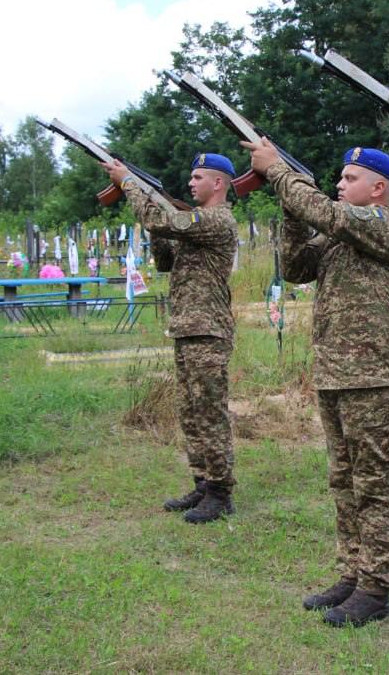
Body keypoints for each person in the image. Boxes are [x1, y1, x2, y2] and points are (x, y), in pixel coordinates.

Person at [242, 139, 389, 628]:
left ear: (378, 188)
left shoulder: (388, 226)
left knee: (375, 485)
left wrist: (279, 172)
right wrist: (292, 210)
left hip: (376, 380)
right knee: (344, 480)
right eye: (338, 179)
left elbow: (330, 214)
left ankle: (376, 587)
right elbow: (297, 267)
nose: (339, 185)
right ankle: (353, 572)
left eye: (349, 179)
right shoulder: (341, 234)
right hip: (336, 375)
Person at [100, 153, 239, 524]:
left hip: (208, 329)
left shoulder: (216, 219)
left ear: (219, 183)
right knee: (191, 411)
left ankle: (221, 492)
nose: (191, 183)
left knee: (209, 411)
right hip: (187, 327)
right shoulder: (191, 224)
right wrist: (155, 224)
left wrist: (130, 183)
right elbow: (165, 259)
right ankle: (203, 482)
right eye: (190, 177)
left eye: (198, 177)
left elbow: (164, 219)